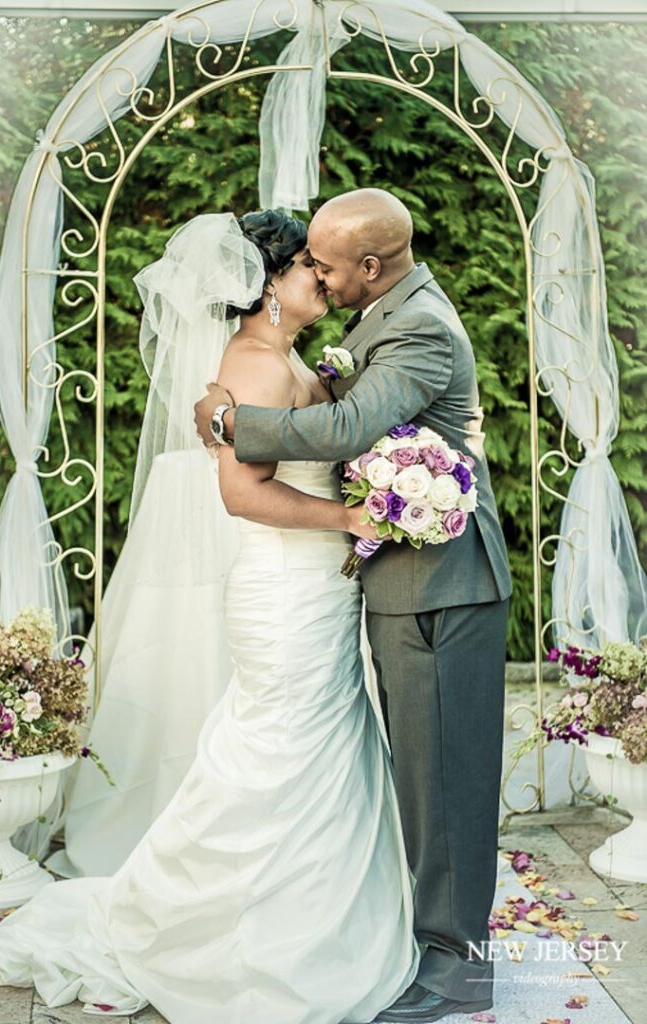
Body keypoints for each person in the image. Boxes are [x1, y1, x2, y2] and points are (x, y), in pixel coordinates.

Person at [0, 210, 430, 1024]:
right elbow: (240, 493)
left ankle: (308, 919)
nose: (321, 280)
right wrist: (349, 520)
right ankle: (213, 928)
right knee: (273, 753)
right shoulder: (252, 364)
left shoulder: (280, 357)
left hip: (315, 593)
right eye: (306, 270)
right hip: (285, 592)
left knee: (312, 753)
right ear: (268, 284)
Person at [195, 188, 512, 1024]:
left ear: (369, 266)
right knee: (423, 772)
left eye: (327, 265)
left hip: (442, 584)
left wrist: (235, 421)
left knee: (447, 779)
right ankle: (432, 942)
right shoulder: (385, 314)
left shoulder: (419, 327)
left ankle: (456, 969)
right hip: (399, 583)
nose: (323, 280)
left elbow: (345, 432)